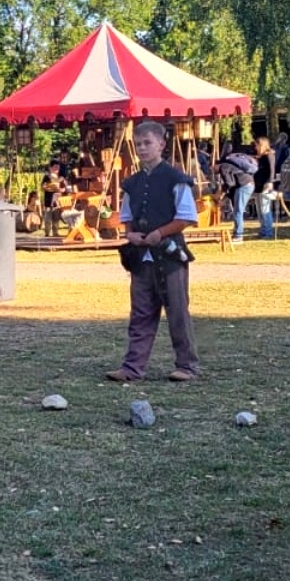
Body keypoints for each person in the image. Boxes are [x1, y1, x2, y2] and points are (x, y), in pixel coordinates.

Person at [106, 119, 200, 384]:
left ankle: (187, 366)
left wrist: (161, 232)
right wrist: (130, 234)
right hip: (141, 258)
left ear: (161, 144)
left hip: (169, 256)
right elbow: (127, 216)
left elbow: (187, 217)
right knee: (140, 313)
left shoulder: (176, 179)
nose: (142, 148)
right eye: (138, 144)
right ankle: (133, 368)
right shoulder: (132, 183)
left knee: (177, 311)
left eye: (147, 143)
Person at [219, 145, 257, 243]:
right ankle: (237, 233)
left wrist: (221, 194)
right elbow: (232, 183)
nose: (211, 170)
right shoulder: (228, 165)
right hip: (248, 183)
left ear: (215, 165)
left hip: (244, 185)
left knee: (238, 211)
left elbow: (229, 183)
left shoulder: (222, 167)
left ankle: (238, 236)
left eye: (211, 168)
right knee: (238, 210)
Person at [253, 136, 275, 239]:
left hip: (265, 184)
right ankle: (263, 229)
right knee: (259, 210)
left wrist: (270, 182)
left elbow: (271, 170)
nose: (255, 147)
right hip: (258, 185)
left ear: (262, 145)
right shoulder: (261, 157)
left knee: (265, 209)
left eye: (257, 145)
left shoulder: (269, 155)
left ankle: (268, 231)